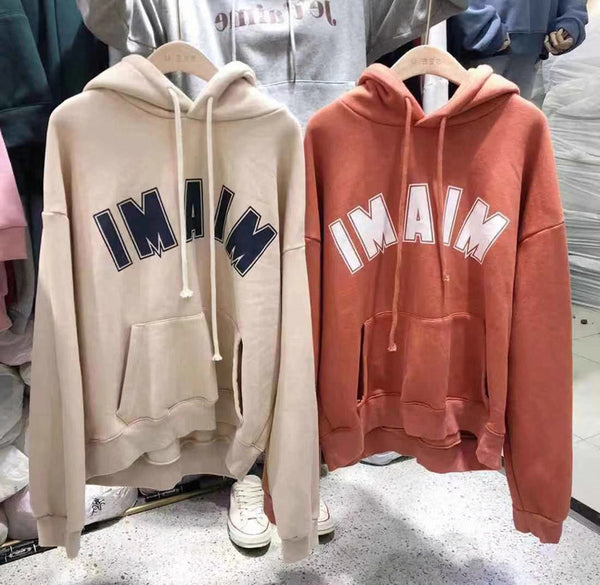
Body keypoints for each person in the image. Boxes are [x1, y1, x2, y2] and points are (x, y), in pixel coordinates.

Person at [447, 0, 588, 99]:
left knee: (517, 126)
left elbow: (574, 6)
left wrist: (571, 22)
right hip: (481, 49)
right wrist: (480, 25)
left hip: (531, 51)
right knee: (471, 125)